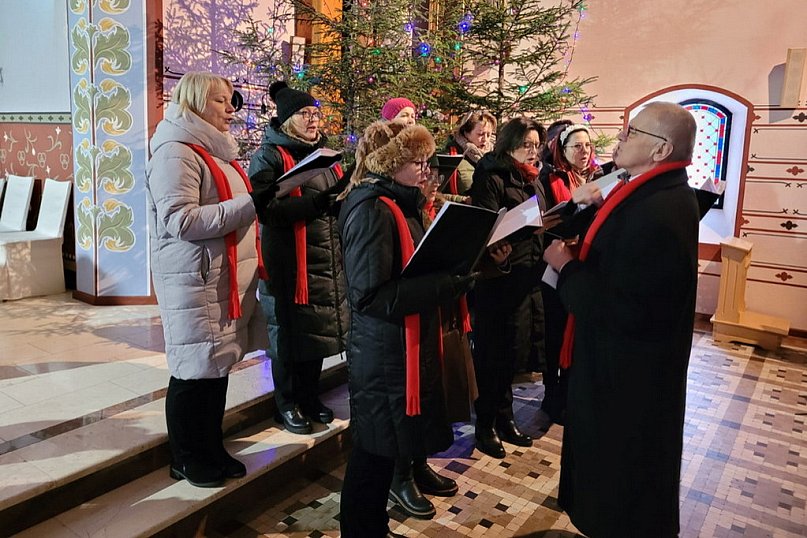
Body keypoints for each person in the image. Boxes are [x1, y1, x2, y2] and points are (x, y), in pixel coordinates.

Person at [543, 101, 699, 537]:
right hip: (624, 368)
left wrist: (565, 266)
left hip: (627, 375)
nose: (620, 138)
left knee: (621, 487)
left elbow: (621, 307)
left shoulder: (659, 210)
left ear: (660, 149)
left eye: (632, 133)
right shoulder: (650, 193)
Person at [337, 120, 474, 536]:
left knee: (383, 450)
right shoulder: (372, 209)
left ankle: (370, 527)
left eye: (426, 160)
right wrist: (444, 284)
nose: (425, 169)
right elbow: (369, 295)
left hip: (397, 348)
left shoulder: (399, 204)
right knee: (372, 456)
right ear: (388, 164)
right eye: (416, 161)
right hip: (382, 354)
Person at [146, 71, 273, 487]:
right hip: (193, 277)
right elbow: (179, 219)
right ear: (198, 102)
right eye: (221, 101)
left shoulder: (214, 150)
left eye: (230, 100)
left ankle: (211, 448)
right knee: (191, 373)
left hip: (218, 280)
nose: (231, 109)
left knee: (214, 370)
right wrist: (250, 206)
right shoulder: (175, 152)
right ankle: (186, 457)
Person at [248, 81, 349, 435]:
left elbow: (334, 199)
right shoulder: (269, 156)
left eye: (316, 113)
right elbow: (267, 209)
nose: (313, 120)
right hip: (289, 260)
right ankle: (286, 403)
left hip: (324, 256)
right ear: (288, 119)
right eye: (305, 114)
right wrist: (319, 203)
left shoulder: (325, 155)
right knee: (289, 334)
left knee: (316, 331)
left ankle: (309, 397)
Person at [468, 117, 548, 459]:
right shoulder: (491, 174)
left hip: (528, 277)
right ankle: (485, 425)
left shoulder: (533, 177)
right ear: (509, 144)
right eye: (526, 145)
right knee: (493, 355)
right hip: (498, 280)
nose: (532, 151)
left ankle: (505, 418)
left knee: (514, 353)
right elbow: (486, 225)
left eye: (536, 145)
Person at [538, 124, 607, 424]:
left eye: (588, 146)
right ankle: (552, 396)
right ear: (562, 152)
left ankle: (570, 393)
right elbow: (548, 222)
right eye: (576, 146)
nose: (584, 151)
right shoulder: (553, 179)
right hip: (556, 266)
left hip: (586, 265)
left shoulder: (599, 179)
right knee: (555, 335)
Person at [443, 111, 497, 195]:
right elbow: (436, 193)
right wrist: (463, 200)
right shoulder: (451, 156)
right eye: (480, 134)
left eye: (489, 135)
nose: (485, 139)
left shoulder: (495, 156)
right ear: (466, 133)